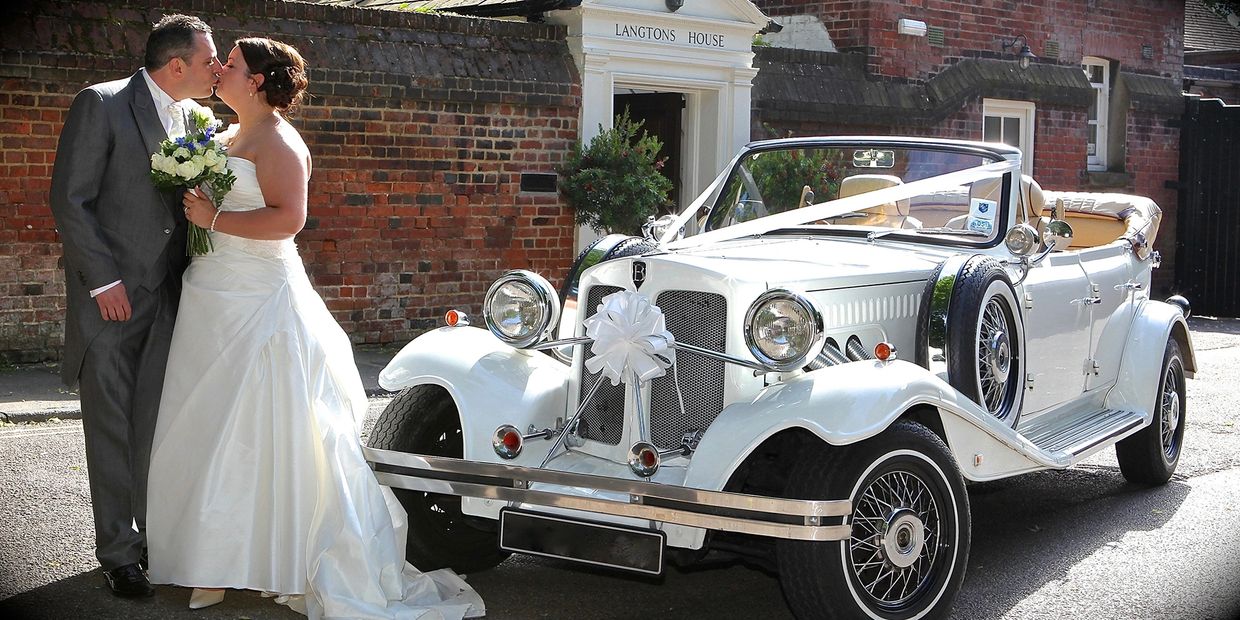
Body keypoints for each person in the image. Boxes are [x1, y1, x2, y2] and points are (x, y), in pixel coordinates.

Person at [145, 38, 485, 619]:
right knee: (203, 418)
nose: (221, 69)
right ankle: (211, 559)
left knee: (263, 427)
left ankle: (272, 557)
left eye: (231, 62)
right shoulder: (221, 136)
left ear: (254, 82)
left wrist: (214, 216)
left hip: (260, 297)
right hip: (211, 292)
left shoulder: (279, 141)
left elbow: (289, 220)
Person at [48, 14, 221, 598]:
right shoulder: (101, 104)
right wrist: (103, 282)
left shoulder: (198, 119)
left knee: (156, 426)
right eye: (207, 61)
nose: (216, 70)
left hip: (171, 297)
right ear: (177, 66)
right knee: (112, 428)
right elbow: (71, 199)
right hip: (112, 300)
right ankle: (118, 553)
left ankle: (155, 538)